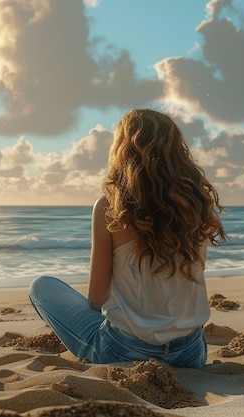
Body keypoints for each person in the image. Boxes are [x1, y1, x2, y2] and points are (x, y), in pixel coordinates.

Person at [29, 108, 226, 369]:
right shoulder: (199, 205)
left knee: (41, 286)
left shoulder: (110, 207)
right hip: (188, 353)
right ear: (178, 152)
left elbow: (96, 299)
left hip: (123, 351)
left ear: (122, 150)